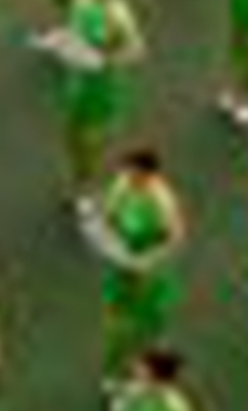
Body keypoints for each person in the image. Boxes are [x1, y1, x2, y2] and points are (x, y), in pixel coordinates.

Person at [80, 145, 189, 390]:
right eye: (128, 170)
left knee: (146, 329)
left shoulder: (162, 203)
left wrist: (146, 263)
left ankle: (146, 376)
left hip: (150, 275)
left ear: (150, 175)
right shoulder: (121, 186)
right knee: (115, 325)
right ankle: (113, 373)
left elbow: (174, 239)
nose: (129, 175)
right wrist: (105, 239)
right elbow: (107, 215)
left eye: (134, 172)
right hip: (122, 267)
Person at [38, 0, 144, 195]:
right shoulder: (81, 0)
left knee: (92, 141)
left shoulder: (119, 15)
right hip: (77, 79)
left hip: (102, 85)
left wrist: (105, 61)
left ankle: (86, 187)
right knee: (71, 136)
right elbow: (74, 31)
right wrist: (60, 43)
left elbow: (136, 51)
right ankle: (76, 177)